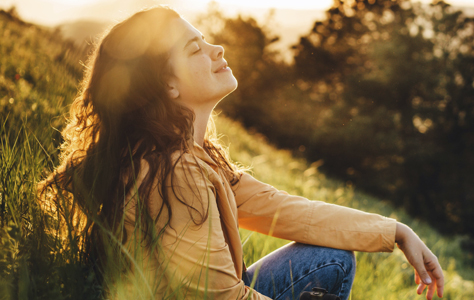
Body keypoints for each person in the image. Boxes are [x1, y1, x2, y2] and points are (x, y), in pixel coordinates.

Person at [40, 5, 444, 300]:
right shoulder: (174, 170)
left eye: (204, 40)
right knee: (332, 261)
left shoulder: (192, 155)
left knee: (330, 255)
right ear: (167, 87)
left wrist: (394, 232)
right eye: (194, 50)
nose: (216, 48)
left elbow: (285, 210)